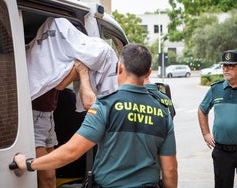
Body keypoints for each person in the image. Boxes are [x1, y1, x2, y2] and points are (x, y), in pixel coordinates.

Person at [14, 43, 178, 188]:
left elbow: (71, 152)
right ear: (148, 72)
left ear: (119, 68)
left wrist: (29, 164)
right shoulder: (162, 113)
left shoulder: (105, 106)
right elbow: (170, 171)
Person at [32, 59, 95, 188]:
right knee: (47, 177)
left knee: (50, 176)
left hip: (47, 114)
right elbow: (60, 85)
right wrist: (81, 71)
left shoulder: (56, 54)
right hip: (36, 114)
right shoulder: (49, 56)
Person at [198, 50, 237, 188]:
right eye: (224, 65)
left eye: (231, 66)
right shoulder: (216, 89)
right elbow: (202, 110)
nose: (226, 69)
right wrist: (206, 134)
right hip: (222, 152)